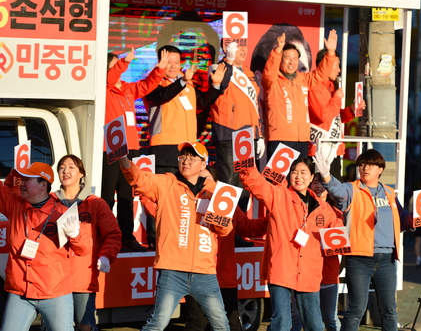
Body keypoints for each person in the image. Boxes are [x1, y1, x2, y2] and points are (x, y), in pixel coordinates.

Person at [117, 142, 231, 331]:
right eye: (183, 157)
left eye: (192, 158)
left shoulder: (216, 191)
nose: (186, 161)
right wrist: (123, 159)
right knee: (158, 323)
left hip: (204, 271)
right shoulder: (166, 182)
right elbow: (138, 179)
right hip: (172, 270)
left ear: (203, 164)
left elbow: (225, 230)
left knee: (221, 324)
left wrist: (217, 218)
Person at [315, 148, 414, 331]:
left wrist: (417, 217)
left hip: (387, 259)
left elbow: (401, 218)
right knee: (356, 310)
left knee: (389, 310)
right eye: (361, 164)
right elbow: (336, 190)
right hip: (359, 259)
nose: (364, 168)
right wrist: (326, 176)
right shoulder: (352, 189)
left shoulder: (389, 193)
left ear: (380, 169)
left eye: (369, 164)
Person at [238, 157, 341, 331]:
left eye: (303, 172)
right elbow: (256, 184)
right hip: (282, 268)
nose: (298, 176)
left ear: (311, 177)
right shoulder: (280, 196)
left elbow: (337, 235)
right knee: (282, 324)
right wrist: (246, 163)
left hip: (309, 271)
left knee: (315, 325)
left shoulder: (325, 209)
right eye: (294, 172)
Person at [173, 167, 269, 331]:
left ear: (217, 184)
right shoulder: (185, 206)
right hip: (197, 275)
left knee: (232, 324)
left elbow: (249, 228)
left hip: (224, 278)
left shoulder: (228, 206)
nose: (203, 183)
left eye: (208, 179)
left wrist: (274, 216)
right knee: (198, 325)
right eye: (199, 179)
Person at [0, 162, 92, 331]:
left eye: (27, 179)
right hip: (20, 292)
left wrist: (75, 235)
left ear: (43, 185)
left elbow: (85, 249)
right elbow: (2, 188)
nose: (21, 183)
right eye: (21, 179)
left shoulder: (64, 213)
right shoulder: (14, 205)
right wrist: (16, 173)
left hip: (55, 293)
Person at [44, 155, 122, 331]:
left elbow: (113, 234)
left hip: (83, 278)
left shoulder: (96, 203)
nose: (66, 171)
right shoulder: (48, 202)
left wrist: (106, 256)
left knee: (85, 326)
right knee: (52, 326)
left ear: (81, 173)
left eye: (71, 167)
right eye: (62, 167)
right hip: (52, 278)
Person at [103, 48, 168, 252]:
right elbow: (110, 77)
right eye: (115, 64)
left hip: (131, 148)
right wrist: (124, 61)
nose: (119, 67)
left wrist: (160, 69)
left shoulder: (128, 90)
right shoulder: (105, 88)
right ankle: (104, 236)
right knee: (106, 195)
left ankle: (126, 238)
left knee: (126, 195)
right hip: (112, 147)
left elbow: (147, 85)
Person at [262, 30, 339, 160]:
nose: (291, 62)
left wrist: (330, 53)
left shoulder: (304, 79)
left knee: (300, 178)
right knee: (278, 180)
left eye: (295, 59)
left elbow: (321, 73)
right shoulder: (273, 81)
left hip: (302, 139)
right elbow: (269, 72)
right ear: (280, 60)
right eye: (287, 58)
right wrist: (278, 50)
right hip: (280, 138)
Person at [143, 45, 219, 175]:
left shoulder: (188, 84)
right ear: (160, 62)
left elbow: (204, 101)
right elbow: (163, 95)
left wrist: (216, 85)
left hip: (187, 147)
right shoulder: (152, 83)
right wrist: (182, 81)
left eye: (176, 62)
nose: (173, 66)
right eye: (169, 62)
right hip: (164, 148)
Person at [208, 41, 265, 190]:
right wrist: (229, 61)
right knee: (229, 184)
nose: (242, 50)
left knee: (245, 183)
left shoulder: (250, 74)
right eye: (237, 46)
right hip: (228, 133)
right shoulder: (217, 68)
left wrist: (258, 136)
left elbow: (255, 107)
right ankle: (227, 214)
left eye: (244, 45)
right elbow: (218, 88)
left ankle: (242, 214)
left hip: (247, 135)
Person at [307, 47, 365, 180]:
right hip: (320, 149)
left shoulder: (331, 86)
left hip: (335, 147)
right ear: (325, 64)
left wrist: (352, 110)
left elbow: (336, 116)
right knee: (319, 191)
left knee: (334, 194)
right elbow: (324, 115)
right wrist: (337, 98)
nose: (339, 70)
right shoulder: (314, 85)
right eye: (337, 66)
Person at [309, 174, 342, 331]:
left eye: (322, 183)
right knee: (308, 318)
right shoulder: (301, 209)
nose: (318, 186)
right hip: (306, 274)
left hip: (327, 273)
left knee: (330, 318)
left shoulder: (337, 213)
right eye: (315, 182)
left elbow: (340, 243)